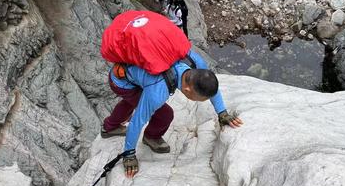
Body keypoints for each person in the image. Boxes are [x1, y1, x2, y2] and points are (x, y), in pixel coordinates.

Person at [102, 48, 243, 177]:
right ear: (188, 91)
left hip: (127, 73)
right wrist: (129, 154)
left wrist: (222, 113)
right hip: (122, 83)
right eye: (200, 99)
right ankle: (151, 137)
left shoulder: (193, 61)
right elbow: (137, 122)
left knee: (132, 101)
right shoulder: (157, 91)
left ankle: (110, 127)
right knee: (164, 115)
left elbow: (211, 88)